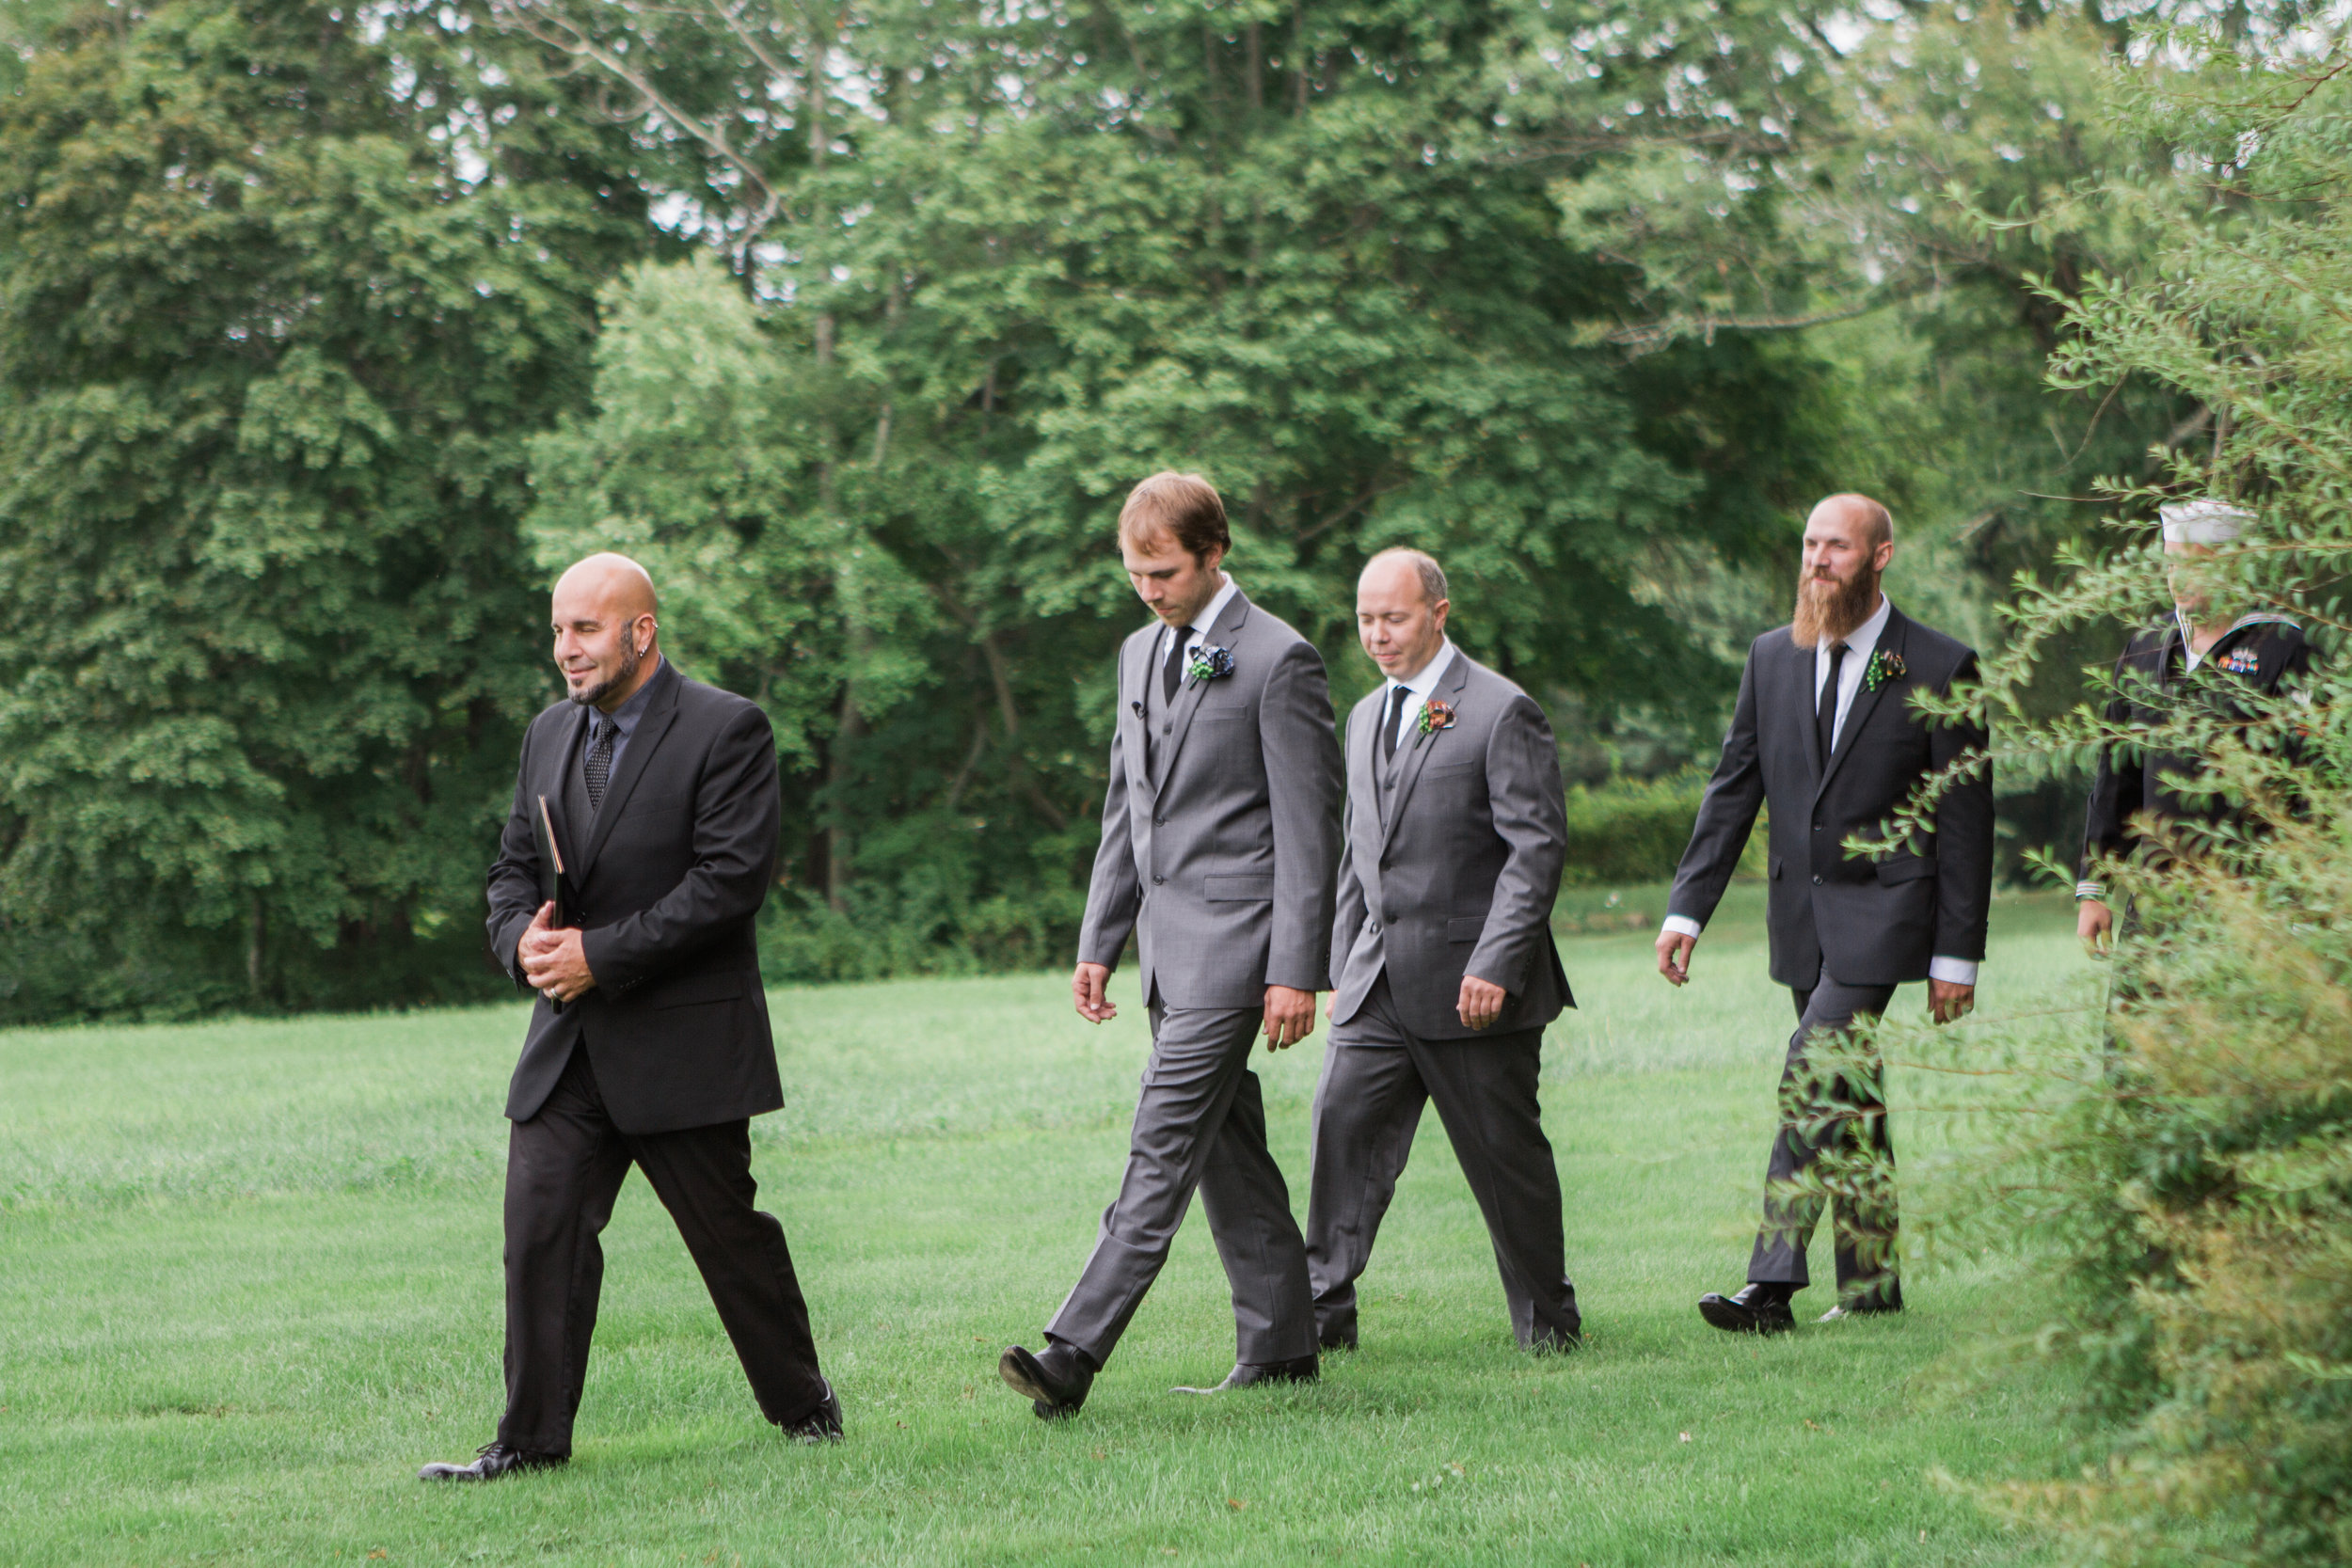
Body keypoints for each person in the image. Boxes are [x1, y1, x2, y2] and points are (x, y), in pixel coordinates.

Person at [421, 554, 837, 1481]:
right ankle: (528, 1441)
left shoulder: (729, 728)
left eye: (585, 629)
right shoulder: (547, 735)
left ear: (641, 631)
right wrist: (516, 944)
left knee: (730, 1242)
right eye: (558, 629)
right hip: (567, 1047)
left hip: (682, 1042)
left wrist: (597, 956)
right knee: (538, 1232)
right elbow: (512, 871)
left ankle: (804, 1404)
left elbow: (729, 883)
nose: (565, 648)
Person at [998, 472, 1343, 1419]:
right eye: (1134, 572)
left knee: (1160, 1146)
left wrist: (1294, 969)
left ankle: (1071, 1349)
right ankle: (1280, 1347)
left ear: (1213, 553)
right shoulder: (1136, 654)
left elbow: (1311, 830)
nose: (1147, 589)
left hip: (1238, 952)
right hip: (1164, 952)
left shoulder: (1280, 660)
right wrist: (1099, 938)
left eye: (1163, 571)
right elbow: (1128, 807)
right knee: (1228, 1150)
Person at [1656, 495, 1994, 1333]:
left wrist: (1959, 955)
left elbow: (1966, 821)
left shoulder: (1941, 665)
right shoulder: (1772, 657)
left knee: (1812, 1069)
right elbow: (1735, 789)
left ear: (1880, 557)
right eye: (1809, 545)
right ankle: (1872, 1285)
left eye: (1835, 547)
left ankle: (1770, 1282)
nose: (1816, 561)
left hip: (1886, 912)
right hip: (1800, 918)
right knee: (1848, 1094)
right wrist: (1687, 909)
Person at [1304, 549, 1581, 1354]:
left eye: (1393, 617)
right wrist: (1337, 973)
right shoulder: (1362, 717)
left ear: (1439, 612)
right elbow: (1363, 856)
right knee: (1339, 1130)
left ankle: (1548, 1325)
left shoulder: (1501, 711)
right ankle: (1321, 1319)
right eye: (1365, 619)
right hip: (1376, 987)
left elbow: (1536, 850)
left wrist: (1494, 962)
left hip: (1475, 988)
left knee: (1506, 1164)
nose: (1377, 635)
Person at [2075, 500, 2313, 950]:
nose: (2177, 578)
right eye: (2170, 563)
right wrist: (2095, 887)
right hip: (2157, 906)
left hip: (2252, 910)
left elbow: (2308, 786)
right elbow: (2116, 774)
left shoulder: (2286, 647)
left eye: (2194, 564)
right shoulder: (2145, 646)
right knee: (2137, 1023)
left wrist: (2303, 909)